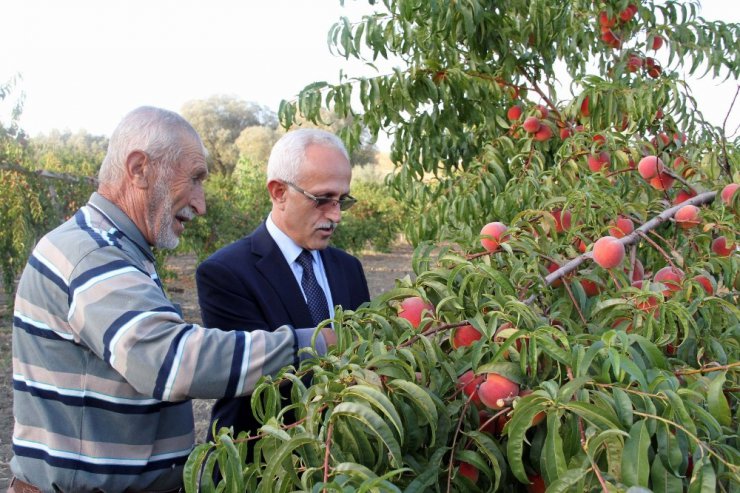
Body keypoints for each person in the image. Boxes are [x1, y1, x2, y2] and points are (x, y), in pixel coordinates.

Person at [8, 107, 334, 493]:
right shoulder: (90, 254)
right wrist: (314, 344)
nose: (200, 204)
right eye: (194, 179)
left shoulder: (117, 251)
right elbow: (171, 360)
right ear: (139, 169)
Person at [195, 128, 370, 443]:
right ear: (278, 192)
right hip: (261, 459)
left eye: (342, 200)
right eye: (323, 199)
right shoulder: (225, 273)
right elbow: (256, 377)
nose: (336, 215)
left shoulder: (349, 269)